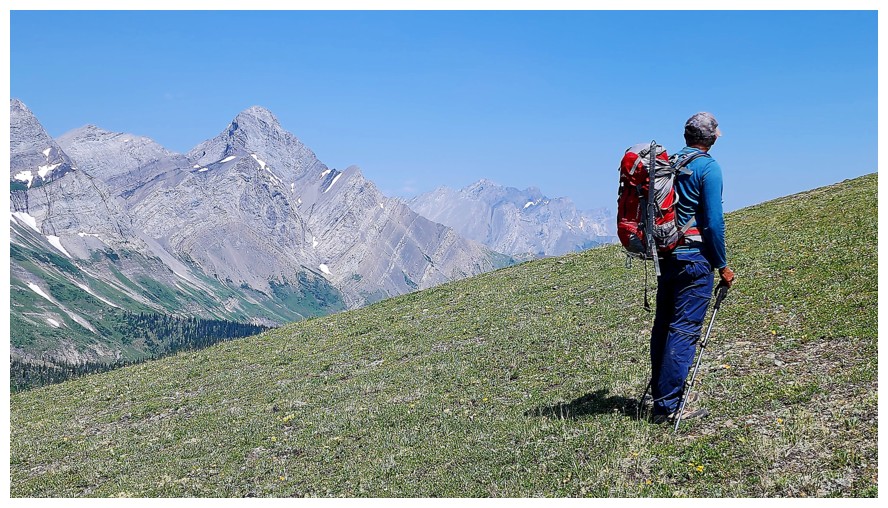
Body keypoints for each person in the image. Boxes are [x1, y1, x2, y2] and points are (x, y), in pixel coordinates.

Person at [649, 112, 736, 424]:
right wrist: (722, 264)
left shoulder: (671, 163)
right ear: (711, 139)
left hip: (666, 255)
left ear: (687, 136)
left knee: (663, 326)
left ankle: (661, 395)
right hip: (694, 259)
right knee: (684, 330)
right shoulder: (708, 168)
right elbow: (713, 222)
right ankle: (668, 406)